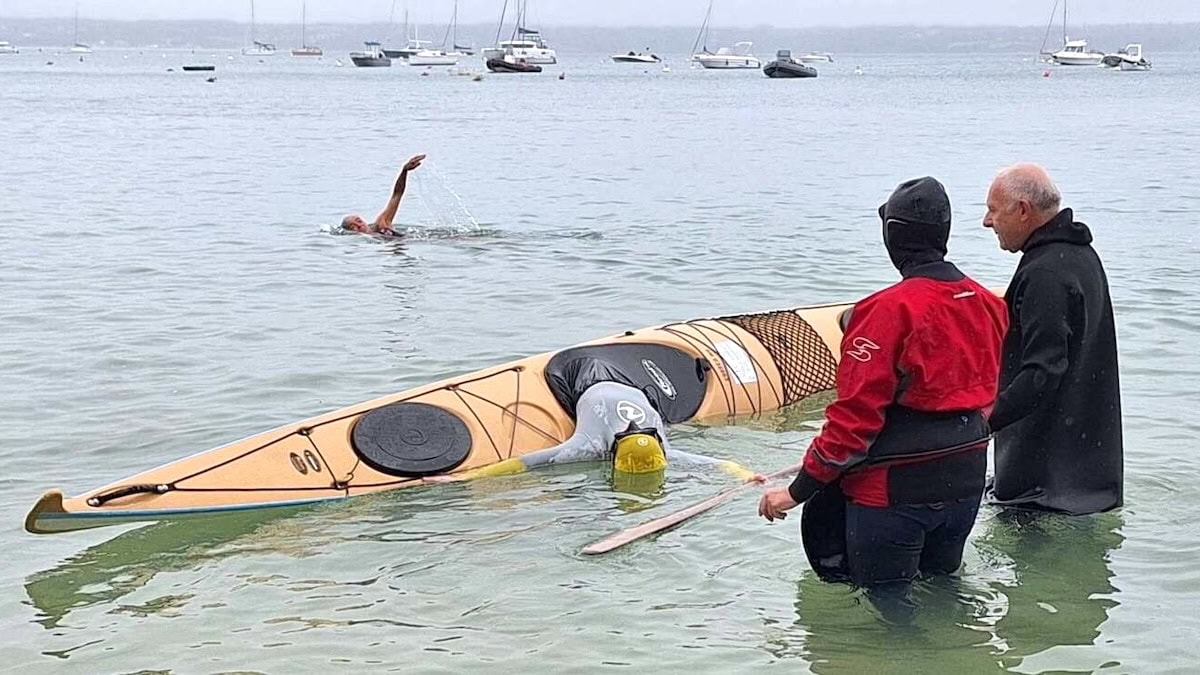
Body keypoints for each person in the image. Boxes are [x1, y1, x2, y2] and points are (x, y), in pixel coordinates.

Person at [756, 176, 1008, 599]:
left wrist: (794, 493)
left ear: (891, 235)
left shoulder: (884, 312)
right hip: (965, 482)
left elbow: (852, 425)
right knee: (945, 593)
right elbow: (989, 399)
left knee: (889, 611)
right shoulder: (989, 304)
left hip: (893, 494)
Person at [982, 163, 1122, 515]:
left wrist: (982, 421)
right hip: (1089, 476)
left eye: (993, 210)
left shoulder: (1045, 272)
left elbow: (1042, 372)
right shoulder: (1081, 255)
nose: (987, 222)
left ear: (1023, 211)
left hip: (1043, 491)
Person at [433, 356, 755, 484]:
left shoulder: (661, 447)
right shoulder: (588, 445)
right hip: (579, 375)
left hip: (626, 380)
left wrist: (746, 474)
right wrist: (464, 477)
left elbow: (719, 464)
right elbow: (529, 462)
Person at [341, 154, 426, 236]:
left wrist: (404, 171)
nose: (360, 226)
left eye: (359, 221)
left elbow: (397, 194)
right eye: (353, 227)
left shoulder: (381, 224)